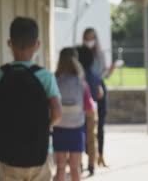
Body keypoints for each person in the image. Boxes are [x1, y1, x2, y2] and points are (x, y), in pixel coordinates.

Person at [0, 17, 62, 181]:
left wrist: (1, 124)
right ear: (37, 45)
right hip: (40, 153)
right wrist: (43, 126)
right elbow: (57, 114)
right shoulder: (45, 76)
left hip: (8, 154)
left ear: (9, 43)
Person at [53, 48, 95, 181]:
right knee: (75, 167)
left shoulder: (54, 82)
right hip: (76, 129)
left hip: (59, 127)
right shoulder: (81, 83)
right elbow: (89, 107)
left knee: (60, 167)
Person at [82, 28, 108, 167]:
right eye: (87, 38)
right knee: (86, 127)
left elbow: (103, 72)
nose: (89, 40)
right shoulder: (81, 53)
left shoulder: (100, 54)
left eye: (91, 38)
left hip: (97, 89)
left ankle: (100, 155)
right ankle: (88, 156)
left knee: (100, 124)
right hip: (87, 91)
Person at [77, 45, 103, 176]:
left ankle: (79, 164)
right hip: (92, 110)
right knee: (91, 137)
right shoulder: (93, 75)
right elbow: (100, 93)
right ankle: (91, 164)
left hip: (78, 110)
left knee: (79, 136)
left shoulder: (76, 75)